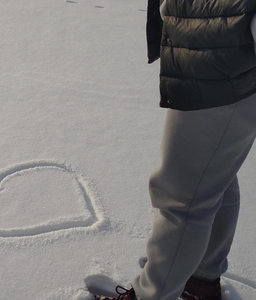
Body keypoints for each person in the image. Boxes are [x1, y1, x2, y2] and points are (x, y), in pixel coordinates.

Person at [94, 0, 256, 299]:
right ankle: (200, 279)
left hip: (225, 69)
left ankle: (151, 295)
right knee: (213, 178)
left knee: (183, 198)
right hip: (214, 59)